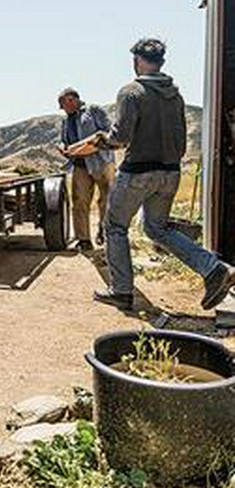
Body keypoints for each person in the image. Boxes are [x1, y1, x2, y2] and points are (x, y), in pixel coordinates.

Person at [90, 38, 235, 311]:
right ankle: (213, 268)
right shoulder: (175, 95)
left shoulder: (131, 92)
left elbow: (121, 137)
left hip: (138, 172)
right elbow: (181, 140)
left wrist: (103, 140)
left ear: (137, 61)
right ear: (161, 62)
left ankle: (121, 291)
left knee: (116, 227)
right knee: (157, 228)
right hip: (170, 172)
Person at [57, 87, 115, 251]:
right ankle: (83, 239)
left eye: (63, 104)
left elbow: (107, 133)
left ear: (72, 99)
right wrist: (62, 146)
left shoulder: (94, 111)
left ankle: (106, 234)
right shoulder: (65, 121)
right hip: (80, 165)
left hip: (102, 162)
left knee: (107, 200)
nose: (63, 108)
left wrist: (87, 147)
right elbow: (63, 140)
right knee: (80, 202)